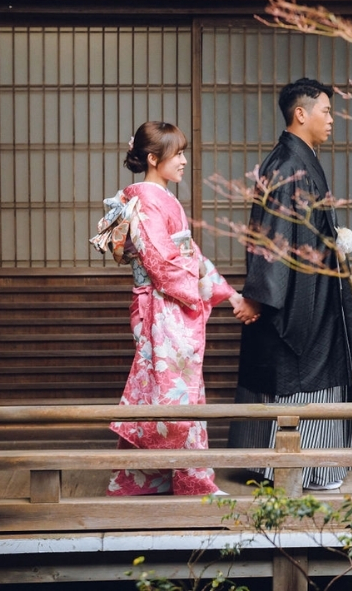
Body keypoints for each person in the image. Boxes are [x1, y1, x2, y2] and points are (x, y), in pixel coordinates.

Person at [90, 120, 255, 496]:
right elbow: (163, 265)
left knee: (165, 392)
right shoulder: (146, 200)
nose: (183, 161)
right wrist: (199, 294)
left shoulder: (158, 198)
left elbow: (189, 255)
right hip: (162, 307)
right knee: (173, 393)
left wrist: (228, 295)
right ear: (152, 158)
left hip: (171, 306)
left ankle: (145, 477)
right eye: (177, 154)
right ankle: (190, 479)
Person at [228, 78, 352, 492]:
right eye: (326, 111)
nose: (331, 120)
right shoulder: (289, 166)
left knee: (310, 372)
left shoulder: (298, 161)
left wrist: (332, 241)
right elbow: (273, 239)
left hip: (312, 290)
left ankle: (298, 465)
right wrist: (261, 297)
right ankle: (300, 468)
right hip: (298, 300)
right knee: (301, 371)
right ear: (301, 114)